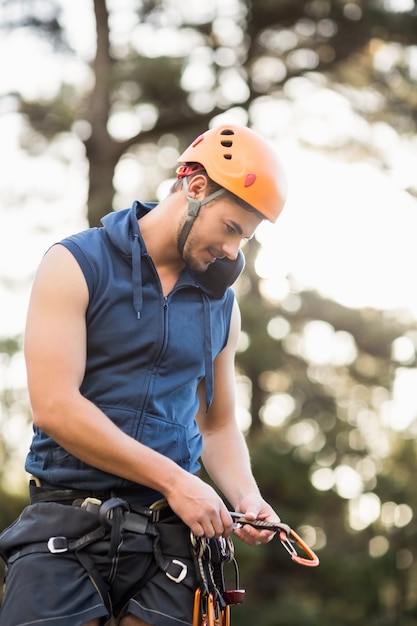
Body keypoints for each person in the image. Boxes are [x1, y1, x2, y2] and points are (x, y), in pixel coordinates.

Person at [0, 123, 287, 626]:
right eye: (231, 228)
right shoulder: (75, 263)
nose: (233, 252)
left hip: (171, 544)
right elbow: (56, 406)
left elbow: (216, 425)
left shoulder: (223, 309)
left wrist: (247, 497)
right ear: (195, 187)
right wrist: (177, 481)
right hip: (65, 524)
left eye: (245, 237)